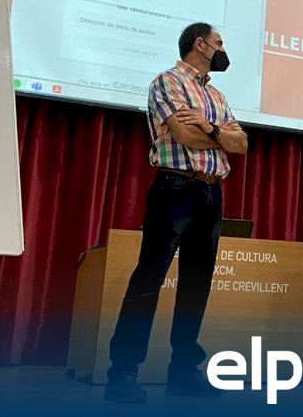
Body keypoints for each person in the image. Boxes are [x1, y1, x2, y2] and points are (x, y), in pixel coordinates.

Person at [104, 22, 248, 403]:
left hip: (212, 192)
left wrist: (210, 128)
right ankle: (122, 373)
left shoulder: (216, 95)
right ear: (200, 45)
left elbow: (242, 143)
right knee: (149, 278)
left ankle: (183, 373)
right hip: (175, 188)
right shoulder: (167, 82)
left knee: (196, 285)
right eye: (219, 42)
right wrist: (219, 137)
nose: (223, 49)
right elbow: (184, 136)